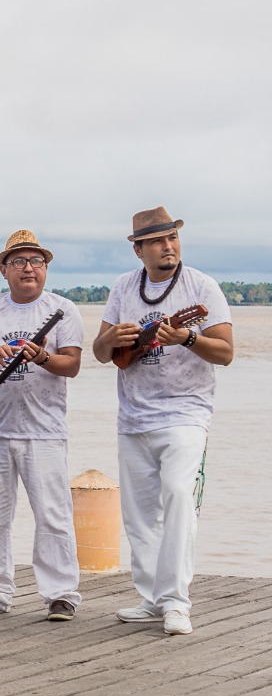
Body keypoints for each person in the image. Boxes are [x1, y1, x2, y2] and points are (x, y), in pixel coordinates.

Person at [93, 207, 233, 636]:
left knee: (177, 495)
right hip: (133, 415)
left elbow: (225, 352)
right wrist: (110, 339)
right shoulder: (123, 288)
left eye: (172, 238)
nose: (168, 246)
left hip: (186, 412)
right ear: (138, 249)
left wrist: (188, 337)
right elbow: (101, 354)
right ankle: (152, 598)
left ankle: (177, 601)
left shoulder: (202, 286)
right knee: (137, 514)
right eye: (157, 240)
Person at [0, 229, 84, 621]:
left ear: (45, 269)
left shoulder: (64, 309)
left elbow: (73, 365)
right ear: (3, 269)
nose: (29, 269)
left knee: (52, 515)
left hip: (44, 432)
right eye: (19, 262)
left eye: (36, 262)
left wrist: (42, 357)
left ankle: (61, 593)